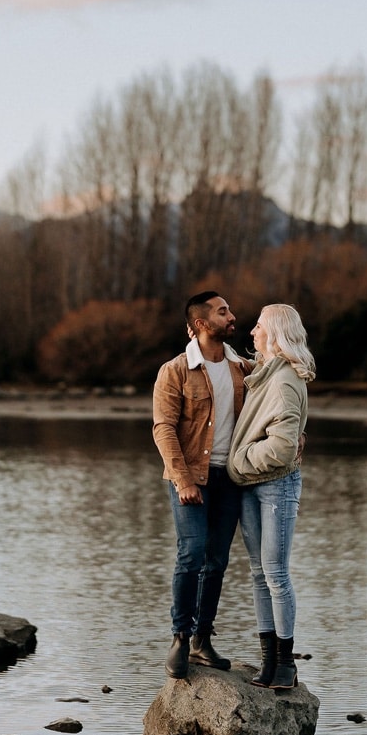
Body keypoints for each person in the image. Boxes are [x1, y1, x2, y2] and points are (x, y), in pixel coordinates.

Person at [152, 290, 251, 679]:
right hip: (190, 479)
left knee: (217, 562)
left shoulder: (241, 368)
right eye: (223, 311)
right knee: (191, 555)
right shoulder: (174, 371)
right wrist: (183, 479)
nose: (232, 316)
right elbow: (163, 430)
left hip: (231, 478)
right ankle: (180, 637)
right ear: (200, 324)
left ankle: (202, 641)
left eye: (229, 310)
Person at [227, 302, 314, 691]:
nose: (252, 332)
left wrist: (237, 461)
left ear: (275, 333)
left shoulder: (282, 381)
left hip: (276, 483)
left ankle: (285, 664)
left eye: (259, 326)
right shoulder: (265, 373)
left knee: (275, 574)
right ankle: (268, 661)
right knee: (260, 574)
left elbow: (280, 450)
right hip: (252, 484)